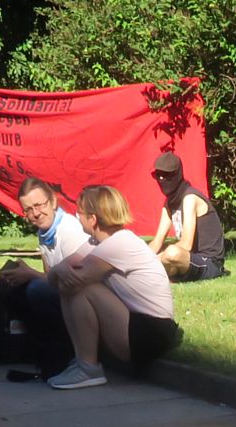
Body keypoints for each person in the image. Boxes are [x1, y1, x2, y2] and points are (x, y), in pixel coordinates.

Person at [46, 184, 181, 390]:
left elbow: (73, 278)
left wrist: (60, 272)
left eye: (79, 212)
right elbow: (58, 274)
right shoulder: (97, 242)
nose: (76, 216)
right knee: (73, 286)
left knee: (82, 288)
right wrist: (59, 271)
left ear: (93, 219)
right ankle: (83, 361)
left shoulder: (119, 243)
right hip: (136, 323)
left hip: (151, 331)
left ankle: (88, 368)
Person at [0, 175, 87, 379]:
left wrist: (30, 274)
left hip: (79, 300)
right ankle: (8, 347)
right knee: (6, 284)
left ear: (53, 202)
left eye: (39, 205)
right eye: (28, 209)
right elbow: (50, 275)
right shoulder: (44, 231)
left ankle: (60, 351)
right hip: (63, 296)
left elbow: (75, 281)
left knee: (36, 289)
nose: (36, 213)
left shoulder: (70, 230)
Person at [147, 152, 226, 282]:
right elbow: (157, 242)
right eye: (158, 175)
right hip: (190, 260)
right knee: (166, 259)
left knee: (172, 253)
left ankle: (165, 275)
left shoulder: (189, 198)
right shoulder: (169, 203)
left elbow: (186, 244)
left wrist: (156, 259)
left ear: (177, 175)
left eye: (166, 175)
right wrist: (139, 260)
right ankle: (165, 276)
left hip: (209, 262)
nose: (161, 179)